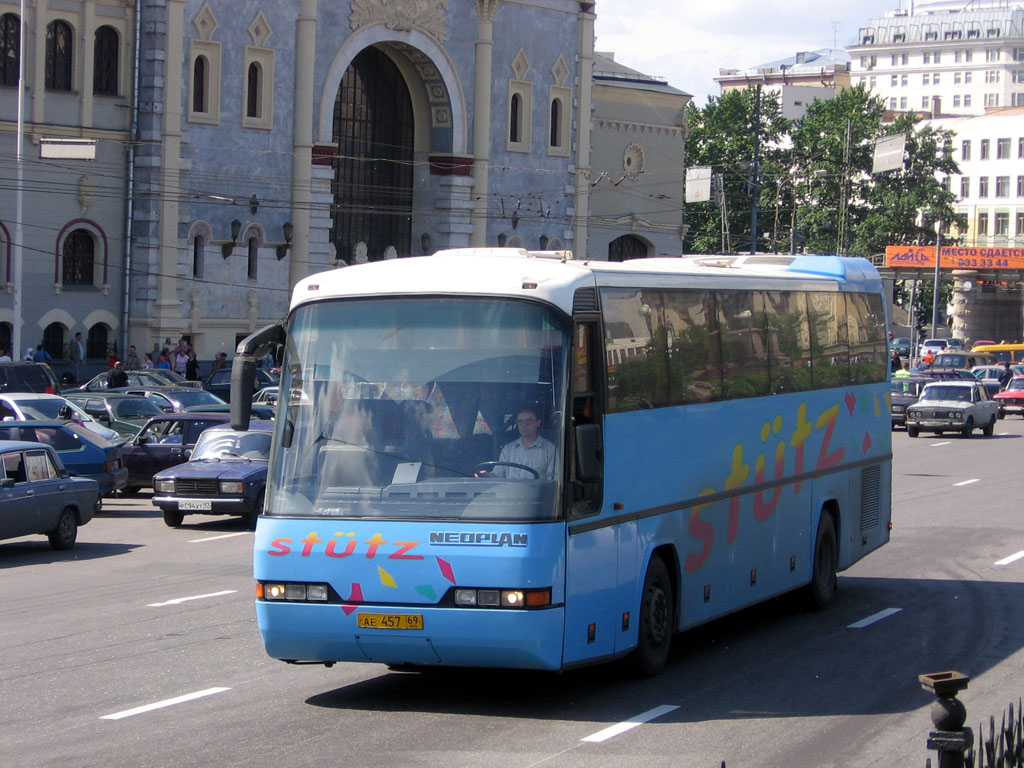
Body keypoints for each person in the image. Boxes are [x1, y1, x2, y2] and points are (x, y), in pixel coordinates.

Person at [478, 404, 555, 480]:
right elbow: (498, 476)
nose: (524, 425)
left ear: (538, 423)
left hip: (535, 492)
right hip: (509, 492)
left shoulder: (550, 450)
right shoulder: (508, 449)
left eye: (529, 421)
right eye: (520, 421)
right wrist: (486, 476)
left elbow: (553, 481)